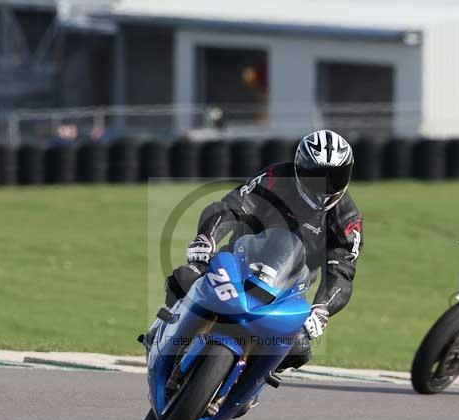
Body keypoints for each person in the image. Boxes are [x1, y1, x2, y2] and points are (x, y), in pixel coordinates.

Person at [151, 129, 364, 372]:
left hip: (288, 291)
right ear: (298, 169)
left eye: (334, 176)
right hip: (239, 264)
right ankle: (162, 330)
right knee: (186, 277)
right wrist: (206, 238)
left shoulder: (347, 218)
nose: (324, 186)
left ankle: (250, 385)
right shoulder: (275, 178)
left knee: (299, 347)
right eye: (315, 175)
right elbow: (232, 206)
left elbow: (343, 271)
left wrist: (322, 308)